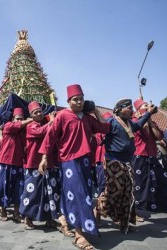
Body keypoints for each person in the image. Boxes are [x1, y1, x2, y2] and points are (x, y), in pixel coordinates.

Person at [39, 84, 110, 250]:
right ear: (68, 101)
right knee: (78, 196)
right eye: (75, 99)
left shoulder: (87, 118)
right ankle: (79, 235)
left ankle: (69, 221)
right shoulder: (62, 116)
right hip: (69, 162)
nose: (79, 102)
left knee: (84, 195)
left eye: (81, 99)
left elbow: (105, 128)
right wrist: (44, 158)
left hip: (86, 162)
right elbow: (49, 138)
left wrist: (96, 111)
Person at [95, 98, 156, 235]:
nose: (132, 110)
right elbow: (101, 128)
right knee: (112, 192)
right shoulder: (111, 121)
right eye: (128, 108)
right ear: (119, 109)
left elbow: (139, 124)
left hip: (128, 162)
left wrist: (148, 114)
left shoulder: (129, 123)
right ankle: (98, 210)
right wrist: (95, 111)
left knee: (127, 193)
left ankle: (124, 223)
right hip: (113, 162)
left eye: (131, 108)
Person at [19, 101, 59, 230]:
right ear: (31, 115)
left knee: (49, 192)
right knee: (33, 192)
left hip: (49, 162)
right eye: (35, 112)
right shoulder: (31, 126)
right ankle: (27, 217)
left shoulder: (45, 123)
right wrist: (52, 120)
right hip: (34, 163)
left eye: (40, 111)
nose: (39, 114)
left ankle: (49, 218)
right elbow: (41, 132)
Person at [0, 107, 33, 222]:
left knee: (18, 189)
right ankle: (3, 210)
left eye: (21, 118)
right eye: (17, 118)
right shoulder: (8, 126)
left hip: (18, 164)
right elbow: (18, 125)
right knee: (3, 188)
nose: (19, 120)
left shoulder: (23, 132)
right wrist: (31, 119)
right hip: (5, 163)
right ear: (13, 119)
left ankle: (16, 212)